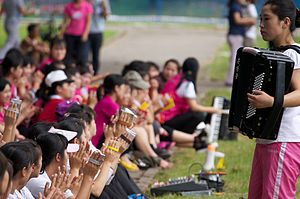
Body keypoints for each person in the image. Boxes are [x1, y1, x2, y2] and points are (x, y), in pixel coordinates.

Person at [247, 1, 300, 198]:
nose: (261, 24)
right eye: (260, 19)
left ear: (285, 22)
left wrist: (271, 101)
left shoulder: (293, 54)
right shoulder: (275, 54)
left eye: (267, 19)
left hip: (285, 140)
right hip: (267, 140)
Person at [160, 57, 225, 134]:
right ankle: (186, 134)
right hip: (167, 119)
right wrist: (213, 109)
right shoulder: (188, 84)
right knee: (199, 115)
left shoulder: (176, 78)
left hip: (162, 116)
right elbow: (194, 107)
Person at [225, 0, 256, 86]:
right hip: (235, 35)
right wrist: (250, 20)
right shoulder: (235, 6)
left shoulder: (236, 5)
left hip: (235, 35)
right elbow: (237, 20)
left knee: (234, 58)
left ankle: (230, 80)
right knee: (235, 59)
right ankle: (230, 81)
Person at [60, 0, 93, 66]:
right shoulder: (68, 6)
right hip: (69, 35)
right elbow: (66, 21)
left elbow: (88, 22)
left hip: (81, 35)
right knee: (68, 56)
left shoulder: (87, 6)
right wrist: (61, 33)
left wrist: (85, 34)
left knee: (82, 57)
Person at [87, 0, 111, 73]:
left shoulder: (103, 1)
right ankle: (85, 72)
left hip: (97, 32)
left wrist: (103, 6)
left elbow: (106, 16)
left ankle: (95, 72)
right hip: (85, 32)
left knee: (96, 55)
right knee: (84, 54)